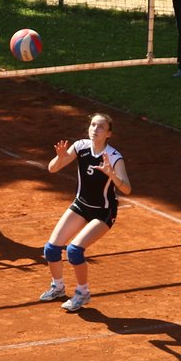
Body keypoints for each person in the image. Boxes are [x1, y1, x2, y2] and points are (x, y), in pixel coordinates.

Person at [40, 112, 132, 314]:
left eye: (100, 127)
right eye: (93, 125)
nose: (95, 130)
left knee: (74, 251)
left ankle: (82, 293)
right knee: (51, 249)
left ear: (108, 134)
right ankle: (58, 287)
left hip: (103, 212)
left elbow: (126, 189)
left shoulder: (114, 157)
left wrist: (112, 174)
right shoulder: (80, 146)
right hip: (81, 205)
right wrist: (60, 158)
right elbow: (52, 169)